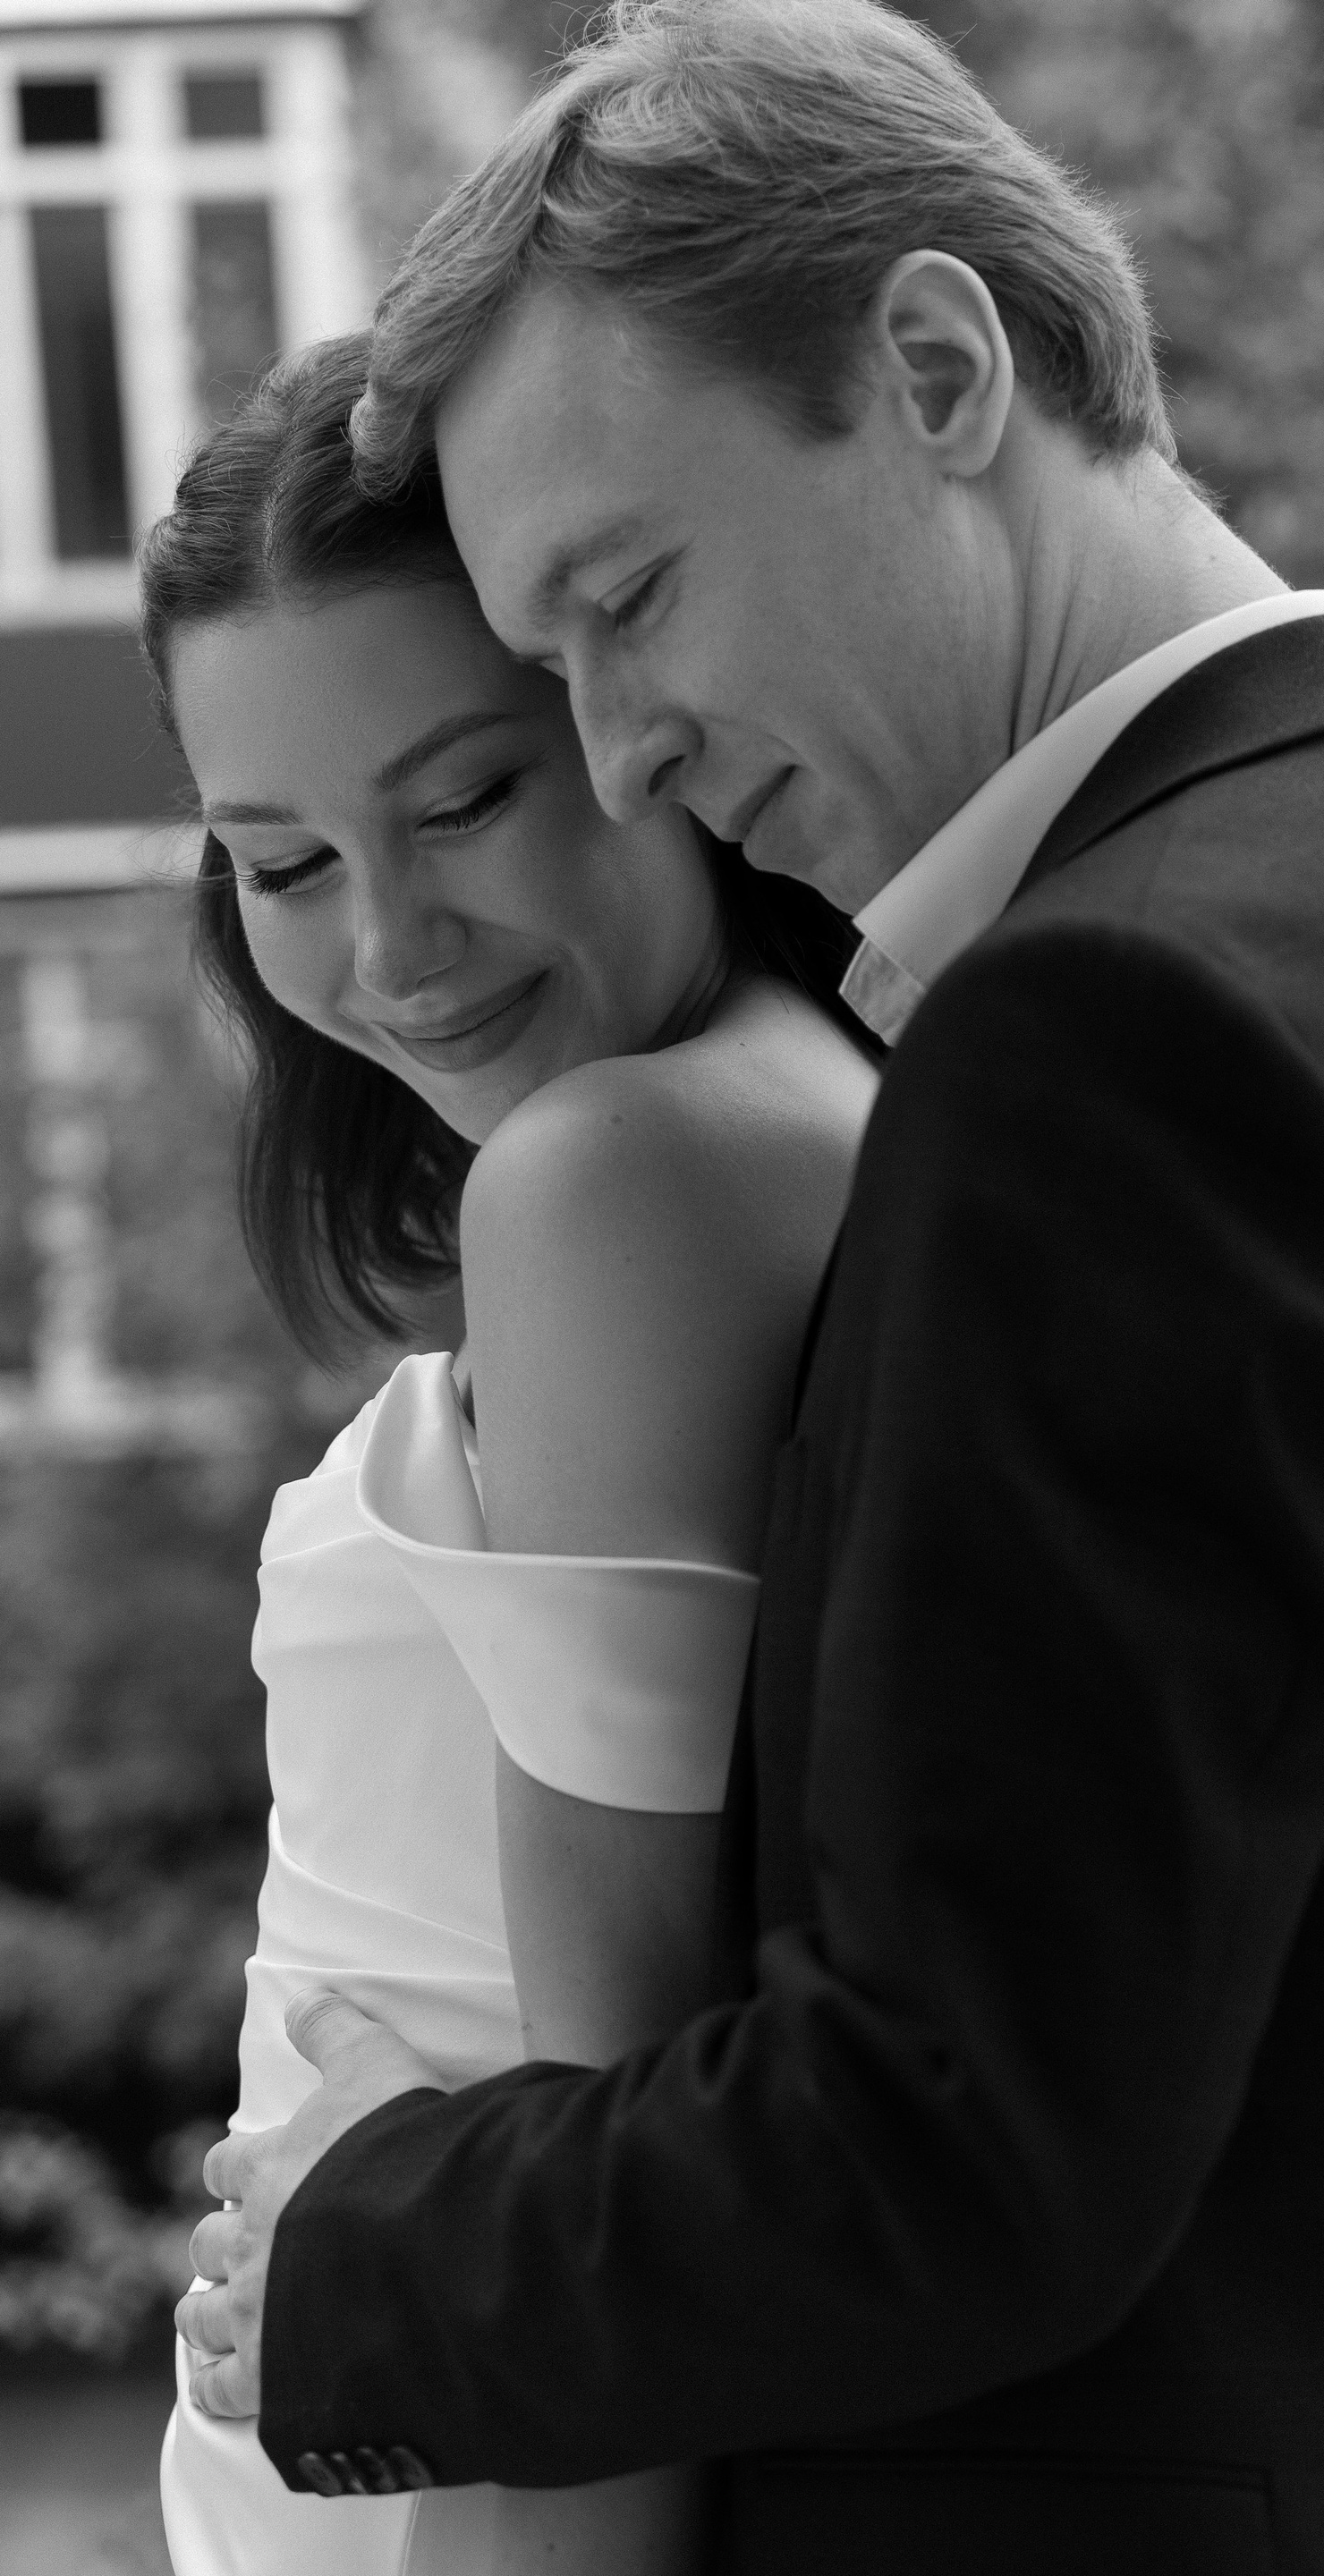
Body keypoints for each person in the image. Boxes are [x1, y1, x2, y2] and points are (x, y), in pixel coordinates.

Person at [180, 4, 1324, 2568]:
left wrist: (364, 2261)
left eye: (629, 600)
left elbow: (971, 2130)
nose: (627, 750)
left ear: (932, 370)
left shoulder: (1124, 1037)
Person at [143, 329, 876, 2575]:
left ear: (635, 723)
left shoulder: (617, 1181)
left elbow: (607, 2134)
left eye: (462, 803)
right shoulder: (792, 1112)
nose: (387, 947)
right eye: (280, 861)